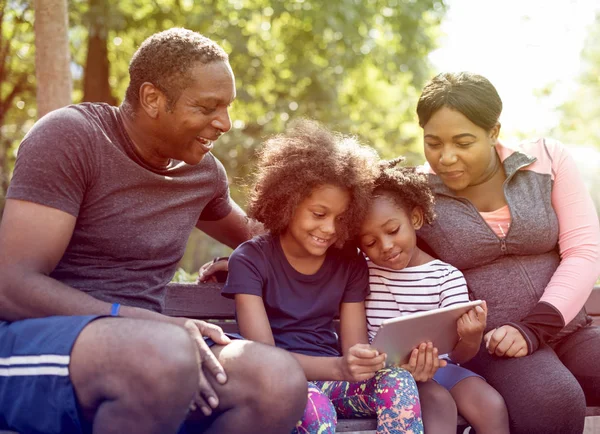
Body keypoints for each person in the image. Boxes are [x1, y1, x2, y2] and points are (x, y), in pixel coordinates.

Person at [0, 28, 307, 434]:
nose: (225, 123)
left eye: (227, 107)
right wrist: (144, 324)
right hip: (35, 344)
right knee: (161, 357)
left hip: (156, 356)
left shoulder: (201, 174)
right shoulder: (72, 138)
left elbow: (268, 242)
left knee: (276, 381)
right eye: (207, 107)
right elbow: (10, 285)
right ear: (152, 99)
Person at [415, 71, 600, 434]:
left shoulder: (545, 160)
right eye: (433, 142)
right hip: (492, 345)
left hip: (569, 328)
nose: (446, 157)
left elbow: (584, 252)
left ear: (494, 132)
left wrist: (534, 328)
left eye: (463, 142)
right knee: (554, 401)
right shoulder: (418, 194)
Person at [221, 120, 424, 434]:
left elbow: (353, 347)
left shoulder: (348, 263)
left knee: (398, 382)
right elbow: (267, 361)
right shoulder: (250, 260)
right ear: (287, 203)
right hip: (281, 383)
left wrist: (364, 360)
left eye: (341, 218)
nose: (329, 228)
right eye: (319, 214)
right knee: (314, 407)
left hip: (333, 380)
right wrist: (339, 367)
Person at [358, 158, 509, 434]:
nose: (386, 246)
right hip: (389, 375)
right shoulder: (362, 272)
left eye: (393, 231)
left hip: (441, 367)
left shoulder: (445, 277)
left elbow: (461, 354)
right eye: (370, 242)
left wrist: (472, 335)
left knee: (491, 404)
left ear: (414, 219)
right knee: (438, 404)